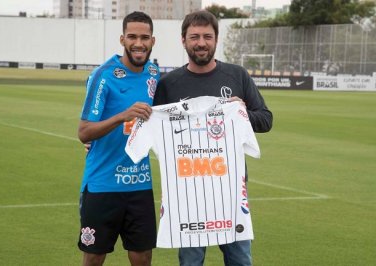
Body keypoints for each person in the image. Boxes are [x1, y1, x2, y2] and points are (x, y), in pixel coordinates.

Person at [153, 10, 273, 266]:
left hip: (231, 189)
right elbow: (153, 128)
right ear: (183, 40)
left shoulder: (237, 75)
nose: (201, 43)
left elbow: (265, 120)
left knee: (240, 261)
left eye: (207, 36)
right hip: (186, 192)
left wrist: (240, 113)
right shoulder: (168, 84)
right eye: (194, 36)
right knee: (191, 262)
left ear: (216, 40)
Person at [77, 11, 159, 266]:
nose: (139, 43)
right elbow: (84, 132)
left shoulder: (155, 74)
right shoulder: (104, 75)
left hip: (140, 184)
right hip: (103, 184)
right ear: (122, 39)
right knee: (94, 257)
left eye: (144, 37)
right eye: (132, 36)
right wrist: (121, 116)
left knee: (142, 257)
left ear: (152, 41)